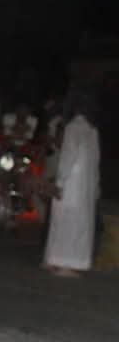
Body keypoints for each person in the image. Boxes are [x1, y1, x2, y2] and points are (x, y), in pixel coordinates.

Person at [43, 89, 100, 278]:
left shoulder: (76, 128)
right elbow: (93, 161)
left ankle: (60, 261)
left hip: (73, 184)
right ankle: (68, 262)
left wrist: (60, 182)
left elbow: (68, 157)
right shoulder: (90, 130)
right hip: (82, 185)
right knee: (77, 224)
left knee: (66, 222)